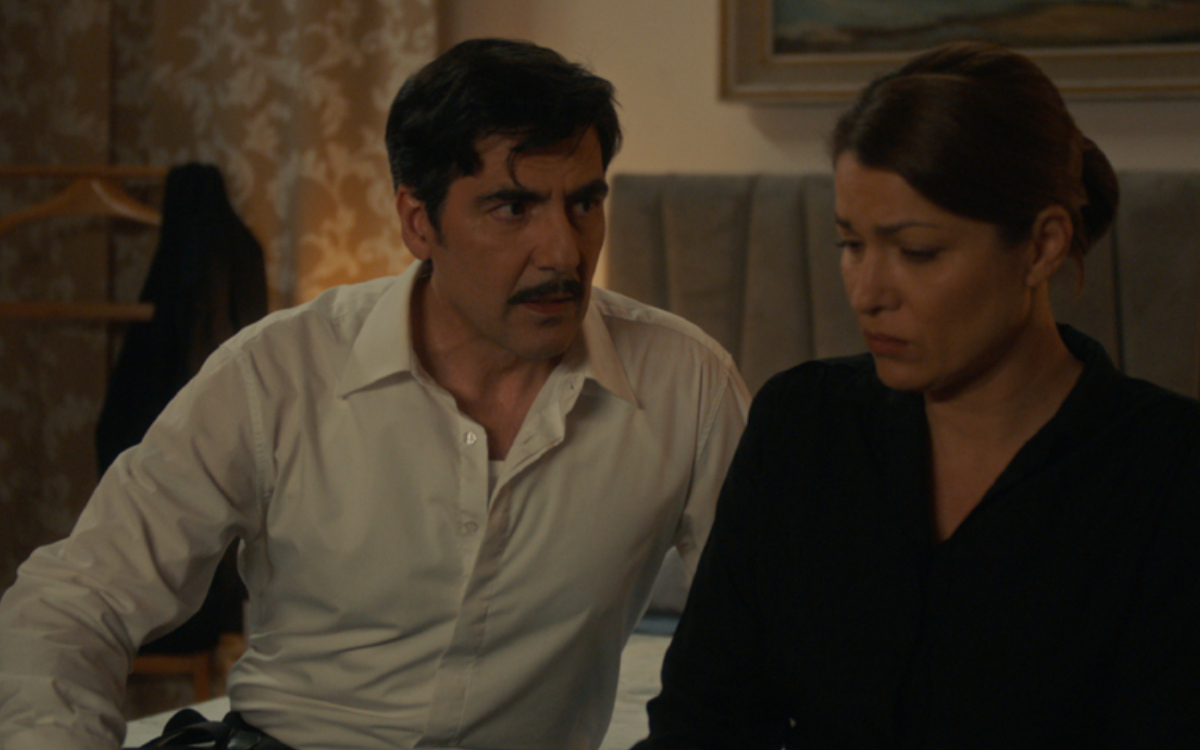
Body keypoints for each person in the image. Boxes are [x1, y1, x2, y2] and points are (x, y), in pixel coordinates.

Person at [0, 39, 750, 750]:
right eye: (513, 208)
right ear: (418, 222)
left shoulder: (686, 386)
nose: (563, 251)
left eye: (584, 204)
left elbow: (775, 634)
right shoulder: (278, 373)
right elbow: (73, 602)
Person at [633, 41, 1200, 749]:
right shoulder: (804, 427)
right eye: (850, 244)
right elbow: (700, 723)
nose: (868, 293)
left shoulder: (1170, 475)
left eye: (917, 251)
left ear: (1042, 246)